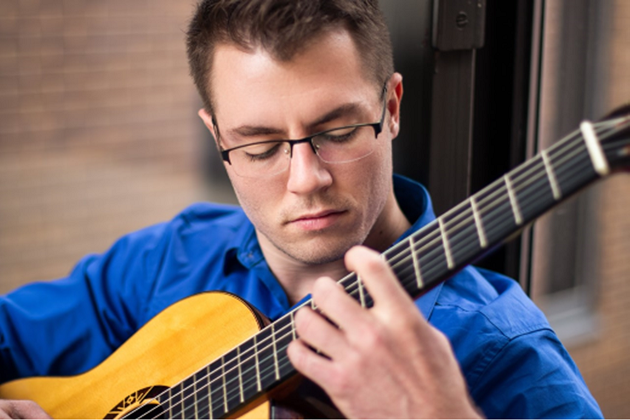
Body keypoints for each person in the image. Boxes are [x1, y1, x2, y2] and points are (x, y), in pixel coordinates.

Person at [0, 0, 602, 418]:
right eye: (260, 147)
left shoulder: (501, 349)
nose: (306, 178)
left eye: (337, 133)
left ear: (392, 107)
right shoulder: (170, 260)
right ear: (218, 138)